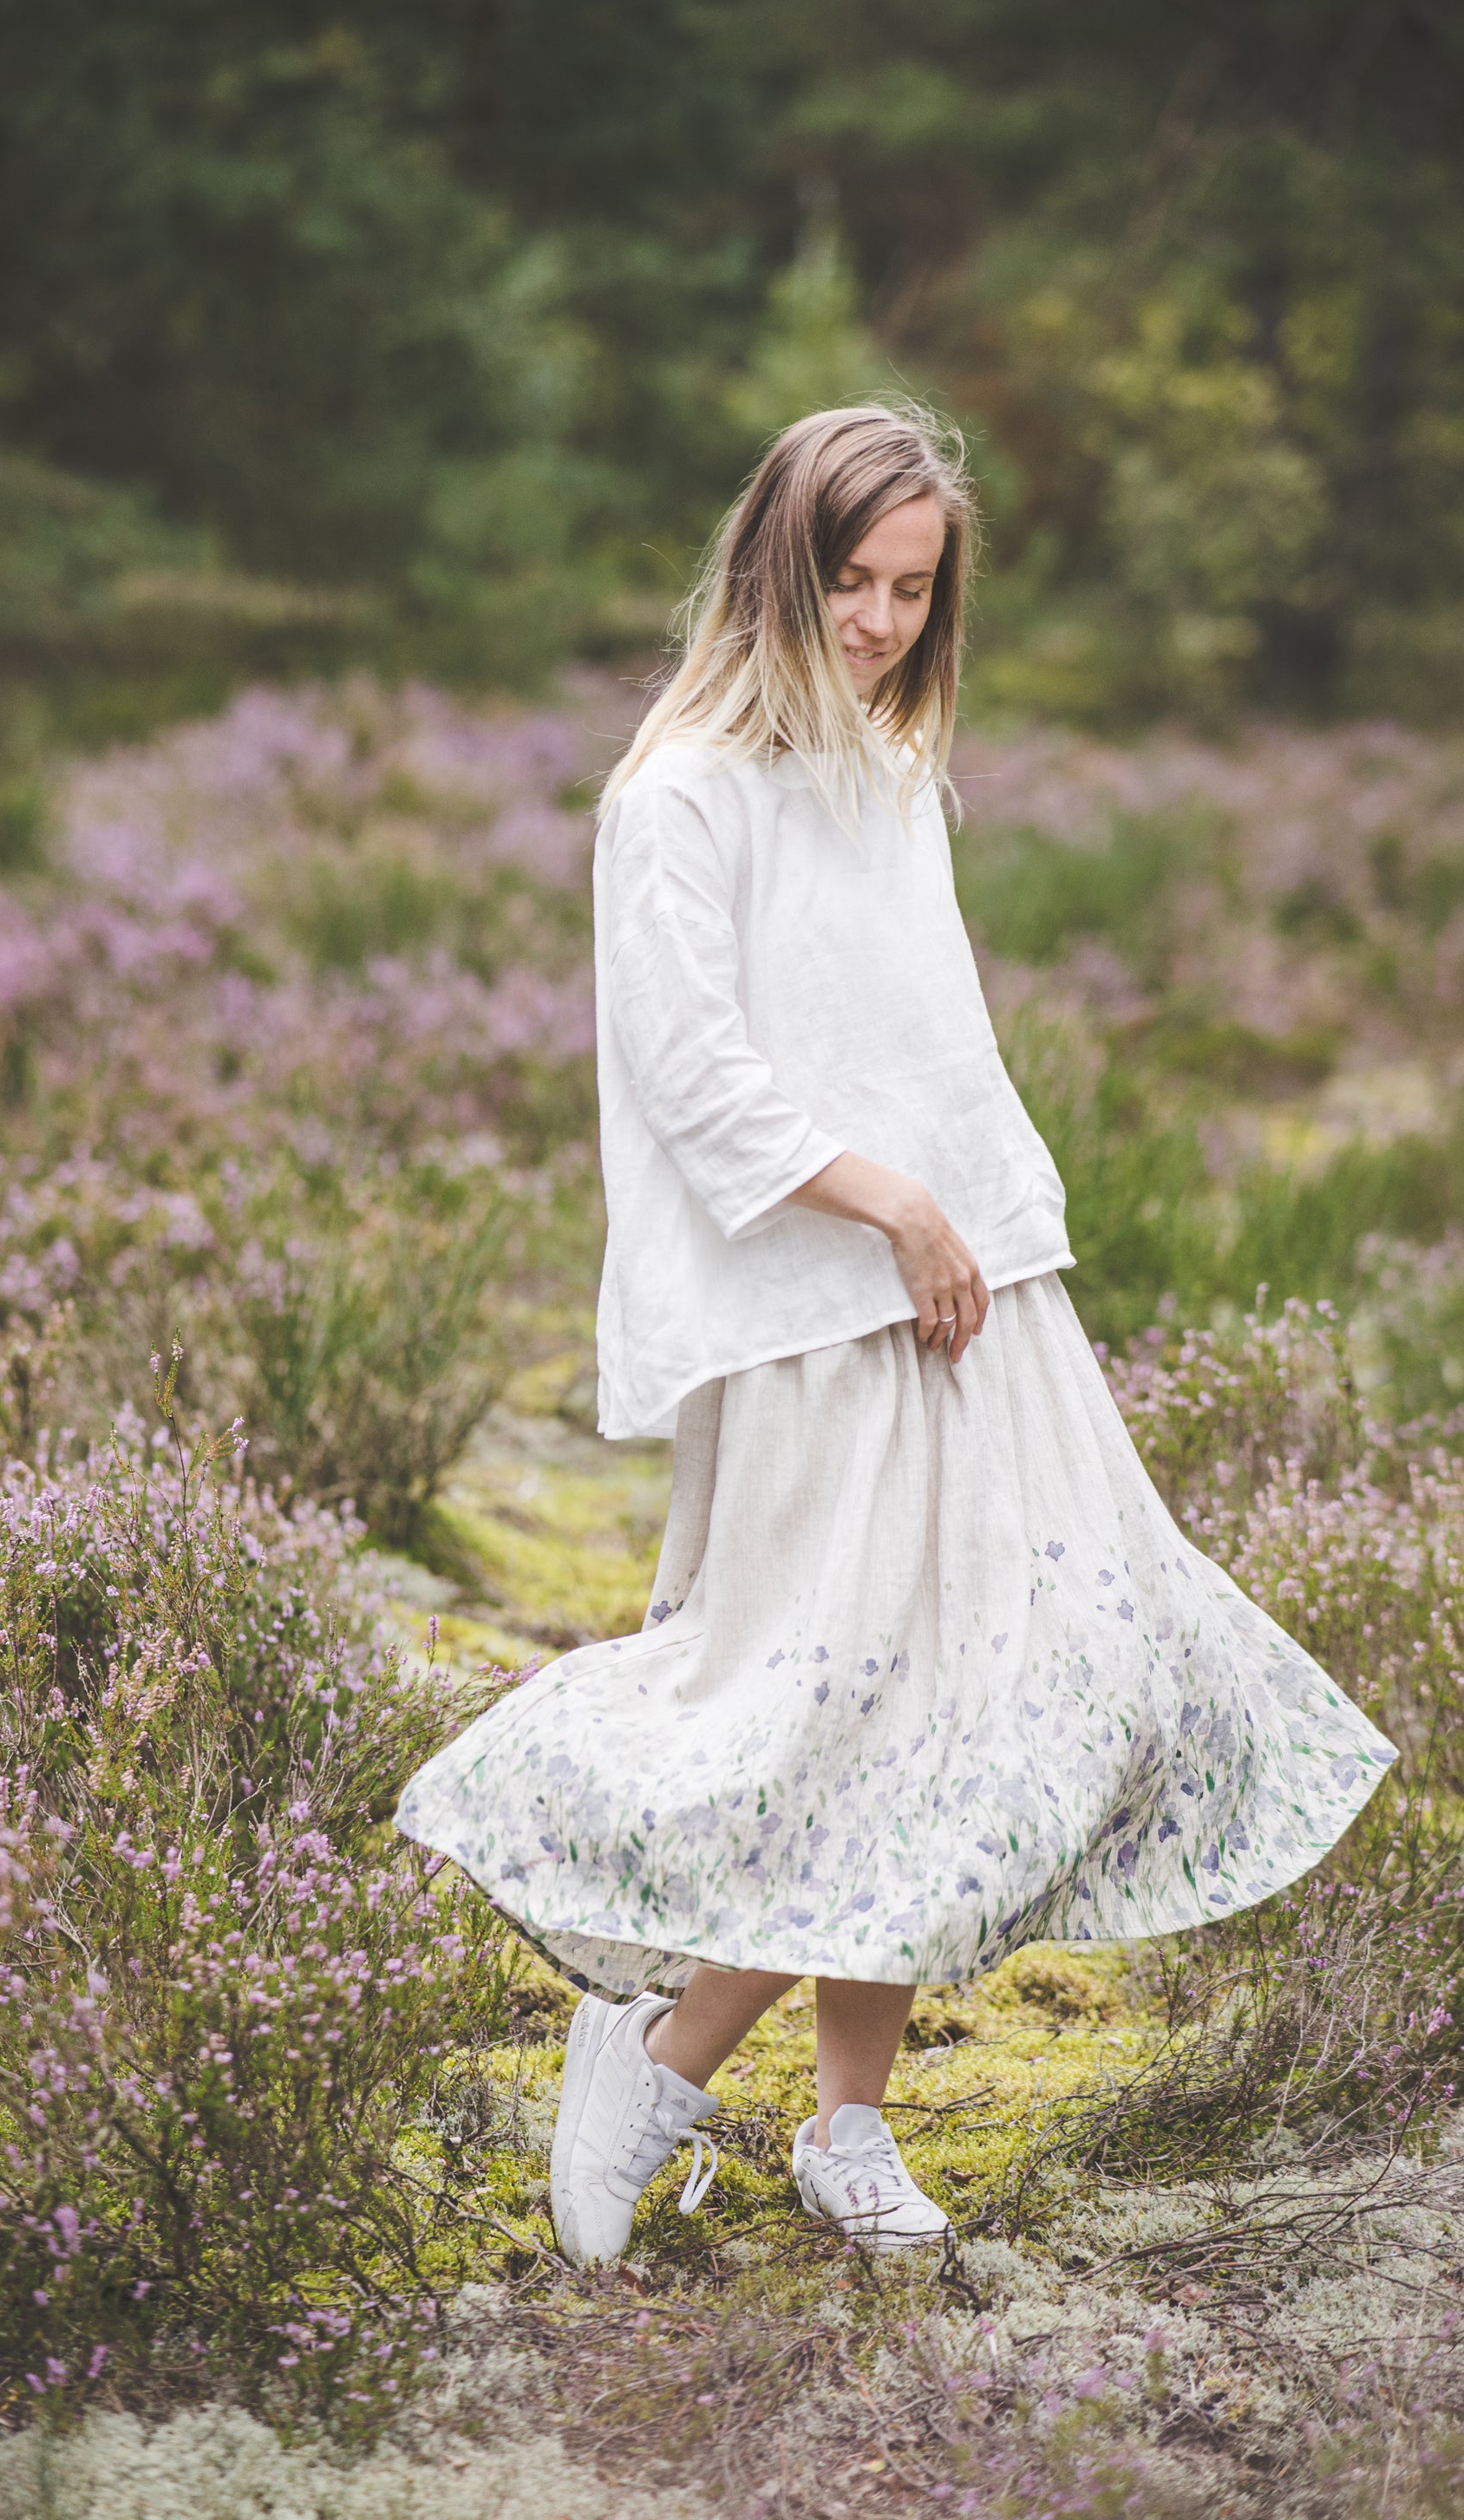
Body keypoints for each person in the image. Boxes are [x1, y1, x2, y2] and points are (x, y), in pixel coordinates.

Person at [395, 403, 1396, 2268]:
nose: (874, 622)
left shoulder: (893, 763)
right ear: (773, 563)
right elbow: (701, 1084)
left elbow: (929, 1038)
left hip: (969, 1294)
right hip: (812, 1307)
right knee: (830, 1710)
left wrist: (979, 1232)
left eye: (910, 589)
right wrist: (891, 1206)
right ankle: (658, 2049)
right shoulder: (678, 791)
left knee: (1001, 1698)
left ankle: (849, 2119)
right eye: (846, 581)